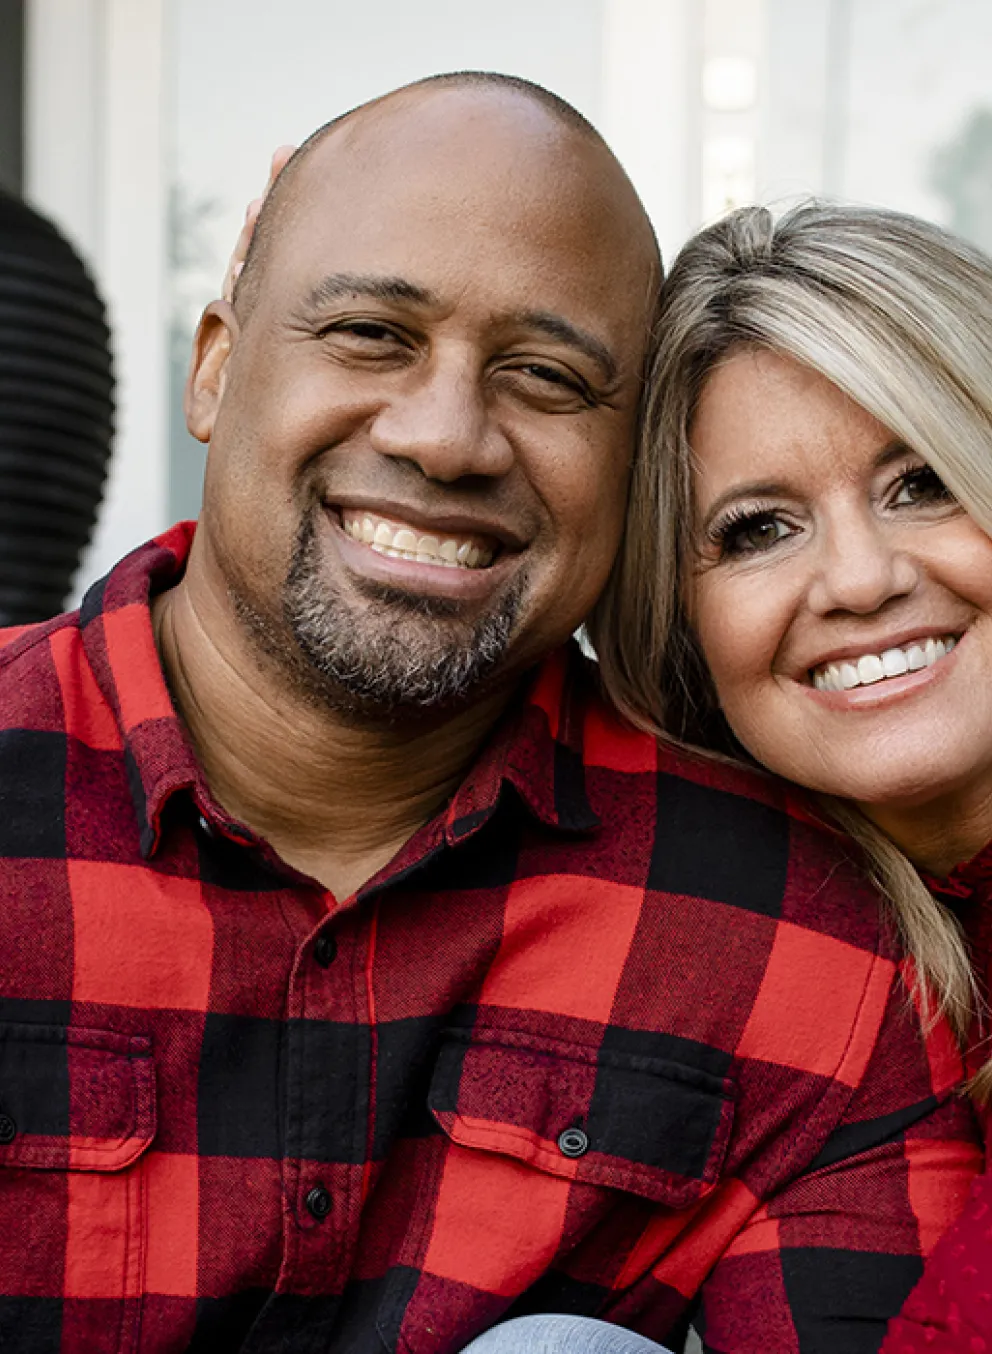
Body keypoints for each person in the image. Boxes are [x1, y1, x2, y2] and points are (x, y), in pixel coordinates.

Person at [0, 78, 977, 1354]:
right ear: (216, 367)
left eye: (544, 375)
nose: (447, 436)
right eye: (367, 334)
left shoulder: (816, 950)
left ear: (625, 486)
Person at [590, 199, 992, 1352]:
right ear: (678, 629)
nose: (859, 580)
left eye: (922, 480)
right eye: (758, 528)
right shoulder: (704, 933)